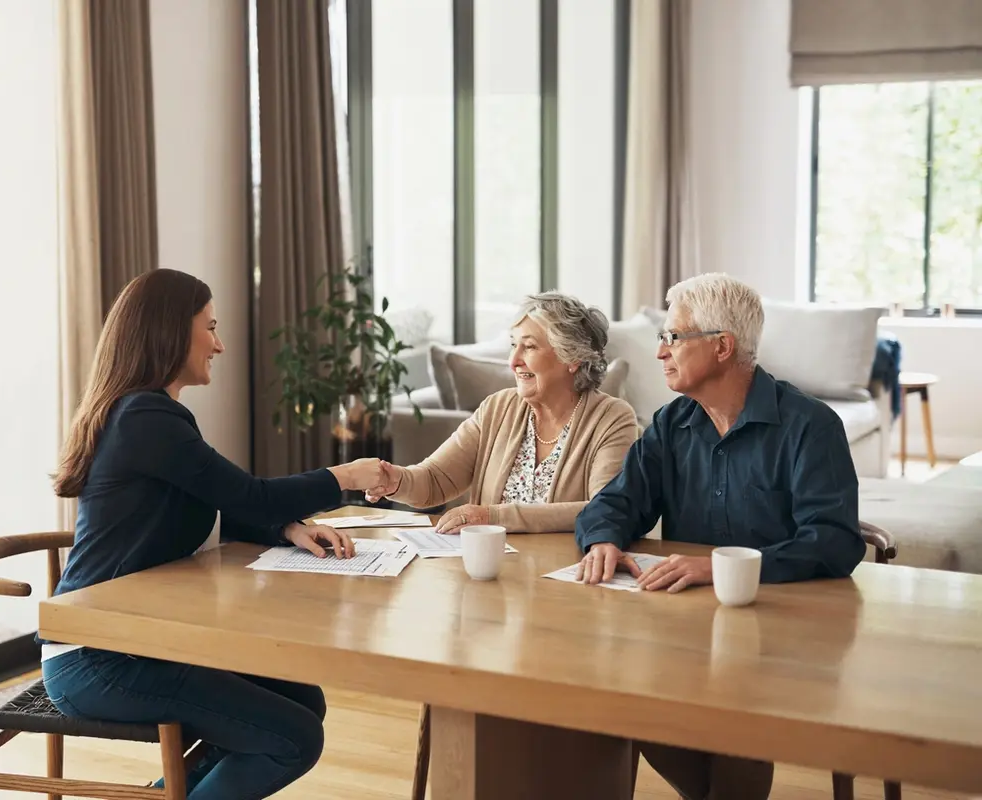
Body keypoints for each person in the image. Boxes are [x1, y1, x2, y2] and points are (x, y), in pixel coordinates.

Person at [41, 269, 390, 799]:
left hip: (134, 643)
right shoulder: (145, 417)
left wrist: (287, 528)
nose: (220, 345)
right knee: (292, 737)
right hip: (100, 656)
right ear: (170, 332)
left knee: (302, 701)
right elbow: (251, 494)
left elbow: (216, 504)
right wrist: (345, 476)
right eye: (210, 327)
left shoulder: (148, 413)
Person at [574, 272, 866, 800]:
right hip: (688, 629)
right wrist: (604, 539)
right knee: (618, 694)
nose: (660, 352)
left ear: (723, 347)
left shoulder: (811, 426)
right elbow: (616, 502)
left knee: (738, 709)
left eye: (673, 337)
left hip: (787, 633)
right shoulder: (671, 424)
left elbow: (834, 540)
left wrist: (722, 568)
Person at [368, 291, 639, 533]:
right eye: (513, 345)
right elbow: (435, 479)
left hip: (565, 566)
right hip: (492, 564)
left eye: (529, 347)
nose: (513, 361)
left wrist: (492, 516)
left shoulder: (612, 418)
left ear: (572, 358)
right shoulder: (498, 407)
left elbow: (604, 509)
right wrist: (395, 481)